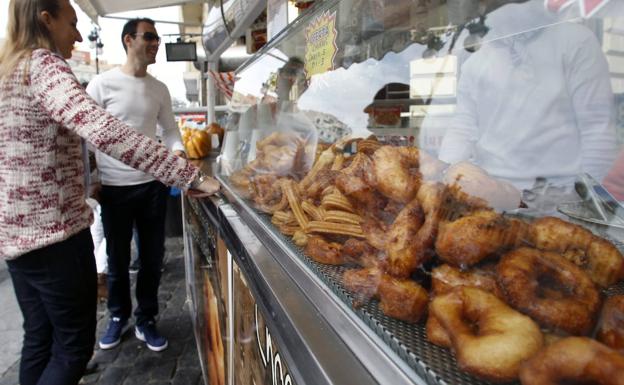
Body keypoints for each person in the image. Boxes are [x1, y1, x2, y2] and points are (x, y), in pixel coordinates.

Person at [0, 1, 219, 384]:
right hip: (55, 236)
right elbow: (102, 131)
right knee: (71, 348)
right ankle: (120, 317)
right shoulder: (43, 65)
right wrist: (190, 176)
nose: (79, 35)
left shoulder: (7, 73)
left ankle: (143, 318)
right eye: (72, 23)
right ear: (45, 19)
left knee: (40, 338)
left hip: (18, 239)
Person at [438, 0, 617, 198]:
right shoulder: (477, 57)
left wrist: (585, 197)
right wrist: (445, 176)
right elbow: (463, 125)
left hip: (558, 197)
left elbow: (597, 127)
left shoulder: (575, 41)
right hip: (492, 194)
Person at [85, 17, 187, 353]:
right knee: (116, 258)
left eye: (158, 38)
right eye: (150, 37)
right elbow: (86, 137)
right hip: (113, 188)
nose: (156, 43)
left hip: (152, 186)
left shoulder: (159, 88)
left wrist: (180, 153)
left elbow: (170, 130)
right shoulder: (102, 84)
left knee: (152, 257)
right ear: (129, 40)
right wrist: (93, 179)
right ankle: (118, 316)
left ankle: (147, 318)